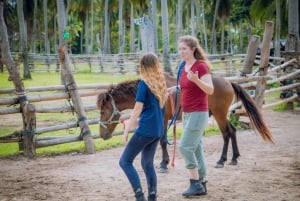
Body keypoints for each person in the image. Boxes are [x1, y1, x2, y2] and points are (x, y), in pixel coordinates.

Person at [119, 52, 168, 201]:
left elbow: (138, 108)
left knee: (125, 161)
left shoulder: (143, 84)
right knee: (147, 163)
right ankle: (152, 196)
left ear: (143, 67)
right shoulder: (161, 85)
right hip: (157, 131)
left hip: (146, 130)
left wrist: (127, 130)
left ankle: (139, 196)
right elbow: (155, 109)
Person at [174, 35, 214, 198]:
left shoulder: (201, 66)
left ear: (193, 49)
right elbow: (186, 85)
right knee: (195, 147)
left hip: (199, 112)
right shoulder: (184, 66)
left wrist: (197, 80)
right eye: (180, 49)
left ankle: (195, 183)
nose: (181, 52)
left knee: (185, 146)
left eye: (184, 48)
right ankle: (201, 182)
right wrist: (175, 88)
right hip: (188, 112)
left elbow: (210, 90)